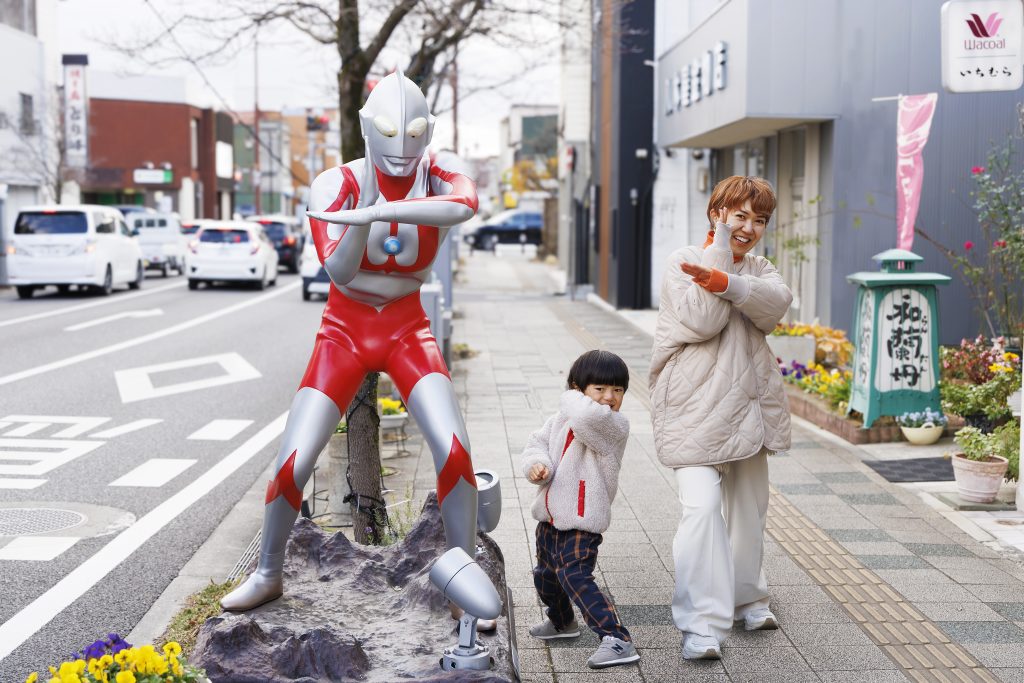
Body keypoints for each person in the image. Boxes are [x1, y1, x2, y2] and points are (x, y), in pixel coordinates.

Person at [220, 70, 500, 626]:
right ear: (367, 130)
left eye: (414, 137)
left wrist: (379, 213)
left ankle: (463, 576)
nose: (402, 155)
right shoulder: (335, 181)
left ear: (427, 133)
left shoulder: (437, 171)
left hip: (407, 326)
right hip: (344, 331)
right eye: (390, 138)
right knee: (292, 460)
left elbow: (465, 204)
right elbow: (340, 268)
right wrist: (362, 212)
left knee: (455, 451)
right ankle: (268, 570)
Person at [649, 176, 793, 660]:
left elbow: (775, 307)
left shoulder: (761, 267)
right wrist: (716, 263)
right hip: (693, 410)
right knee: (702, 510)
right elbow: (702, 321)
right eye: (740, 216)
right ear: (717, 213)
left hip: (748, 407)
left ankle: (747, 596)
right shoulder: (682, 261)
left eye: (759, 220)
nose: (749, 227)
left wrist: (728, 281)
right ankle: (700, 625)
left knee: (750, 510)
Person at [520, 350, 640, 670]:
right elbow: (537, 444)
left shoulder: (614, 425)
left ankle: (616, 639)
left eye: (618, 390)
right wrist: (537, 465)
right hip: (549, 517)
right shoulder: (559, 419)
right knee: (545, 577)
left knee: (576, 577)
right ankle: (562, 623)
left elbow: (587, 417)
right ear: (581, 388)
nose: (610, 398)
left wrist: (572, 396)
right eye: (599, 389)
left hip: (582, 521)